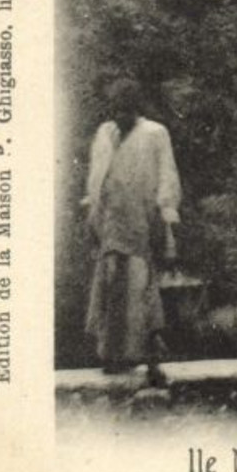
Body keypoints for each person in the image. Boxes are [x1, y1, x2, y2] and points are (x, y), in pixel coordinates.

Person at [82, 79, 182, 381]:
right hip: (111, 221)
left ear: (136, 107)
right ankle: (113, 355)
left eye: (126, 108)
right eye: (116, 109)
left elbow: (167, 174)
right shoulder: (106, 133)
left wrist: (165, 217)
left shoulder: (154, 133)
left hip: (143, 219)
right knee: (112, 285)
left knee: (143, 285)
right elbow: (96, 178)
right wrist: (93, 216)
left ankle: (151, 356)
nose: (120, 115)